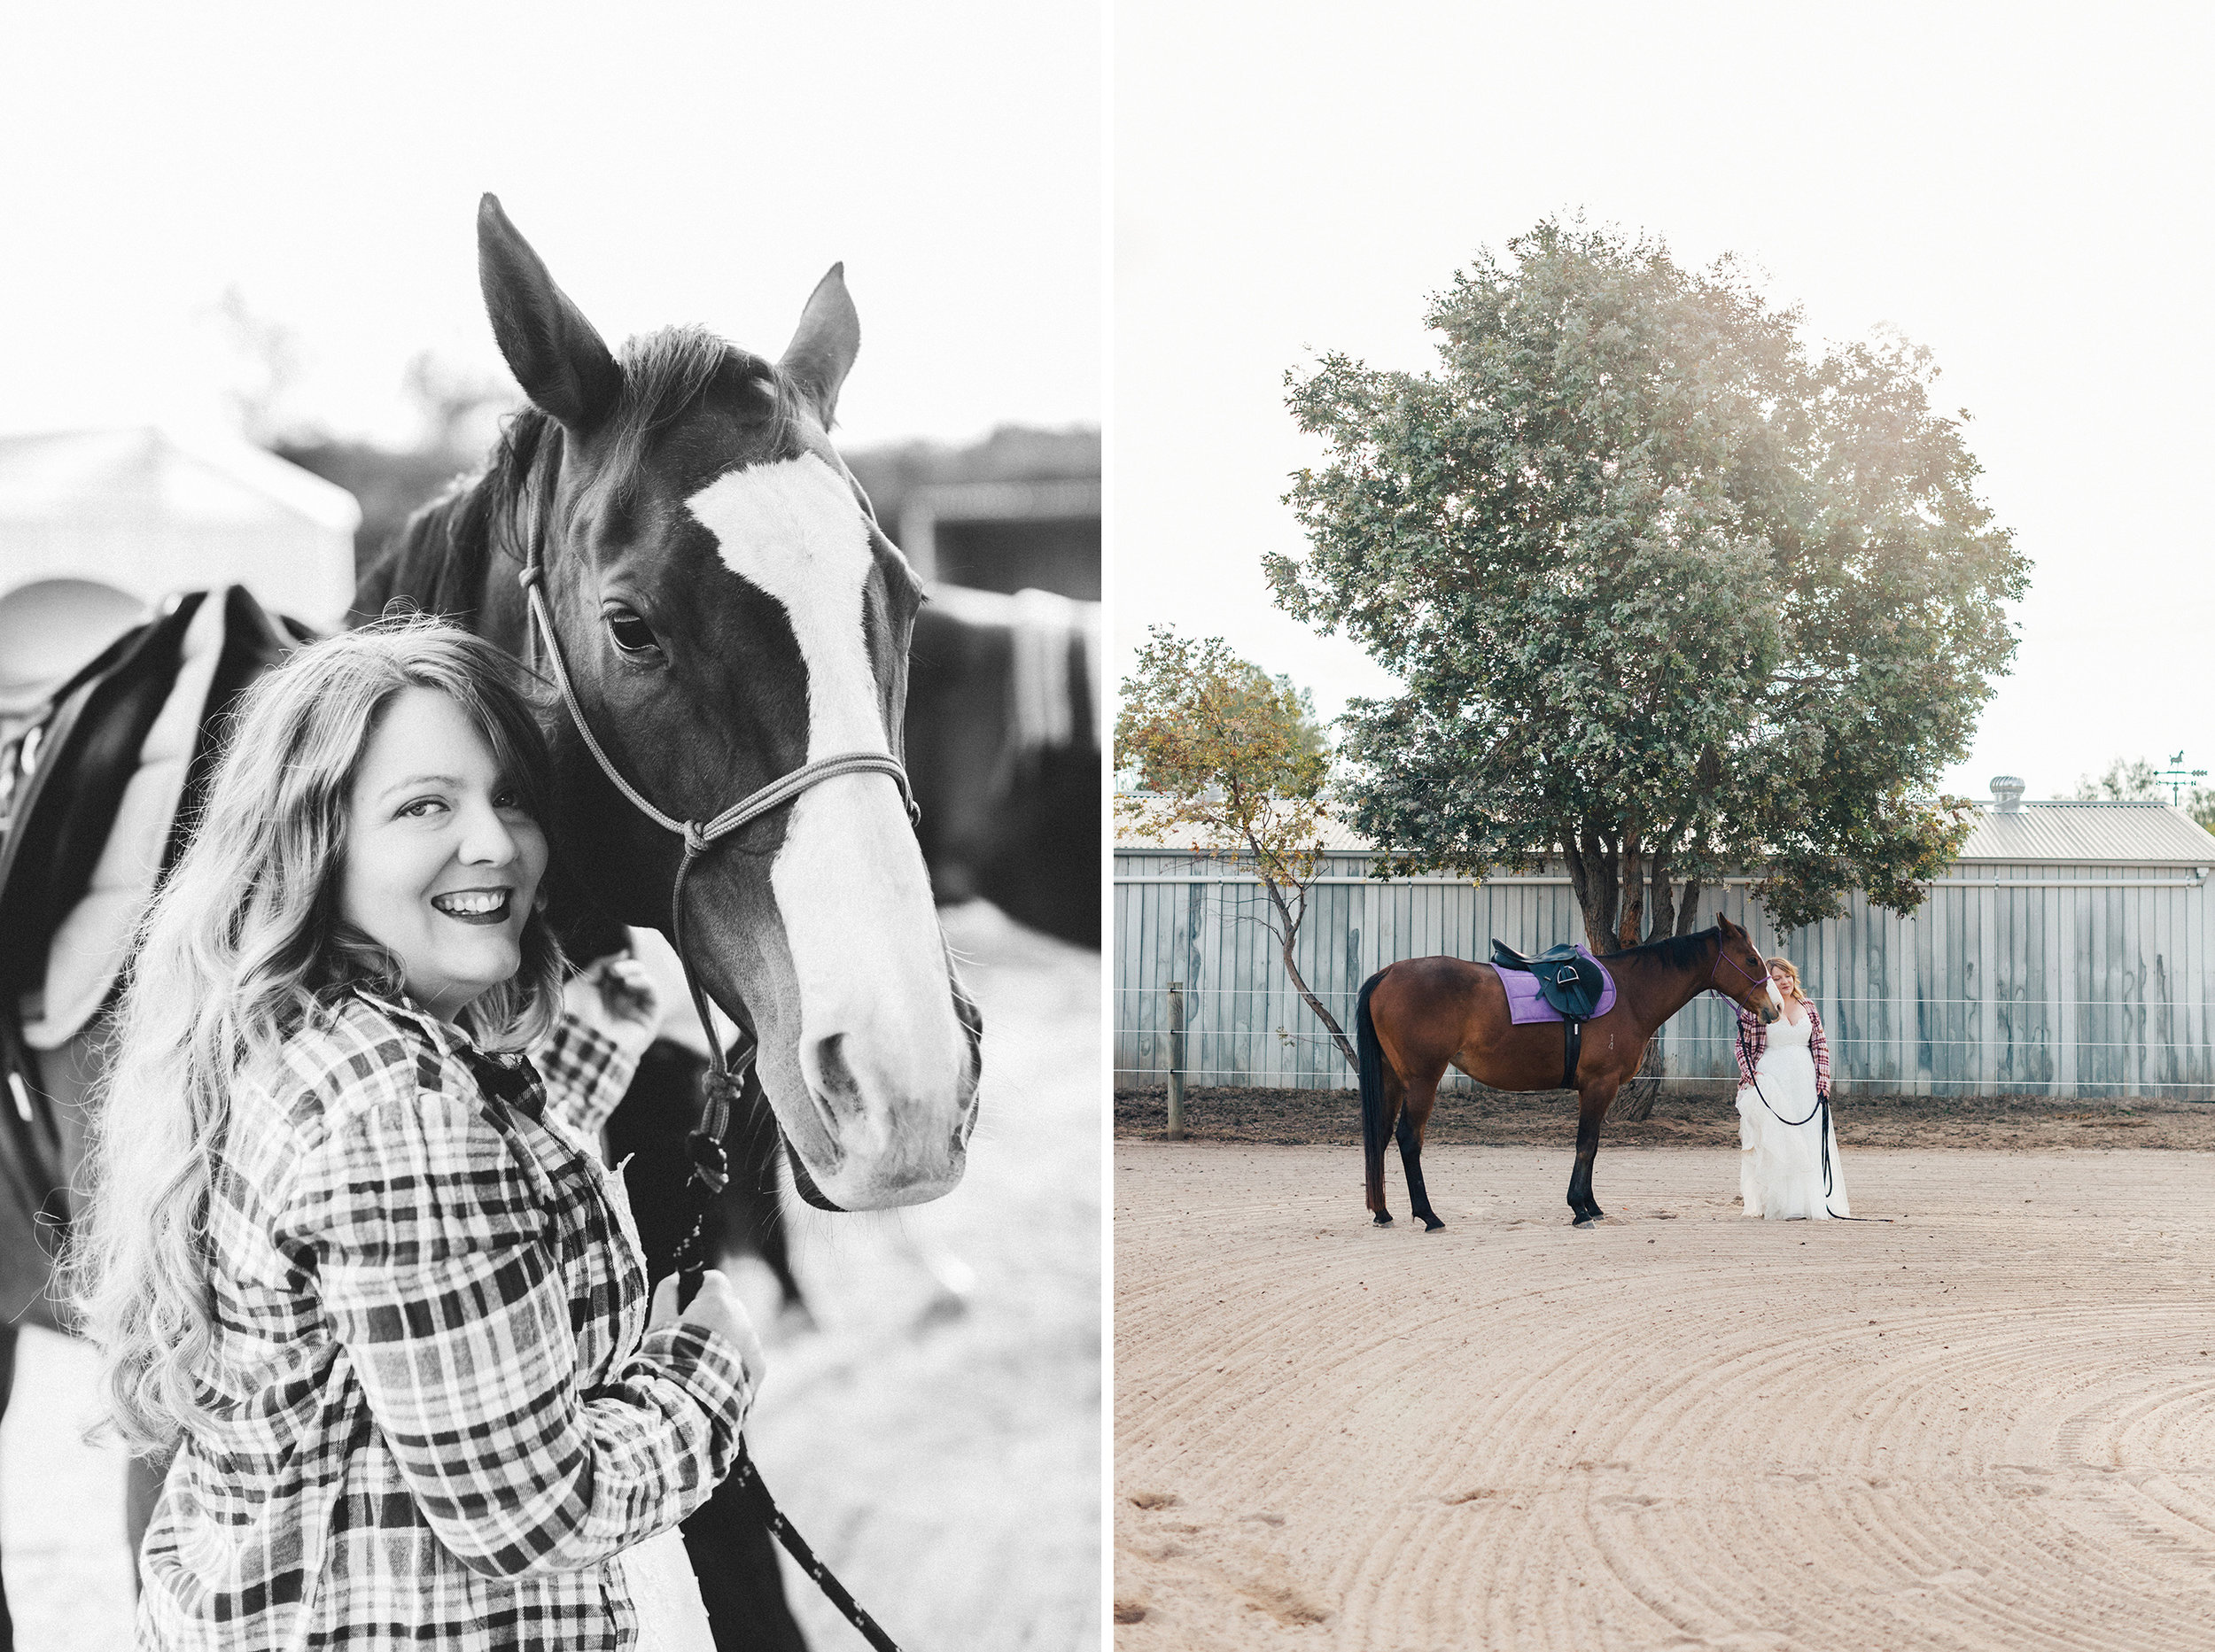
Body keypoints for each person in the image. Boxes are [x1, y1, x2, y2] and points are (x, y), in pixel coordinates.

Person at [70, 618, 762, 1651]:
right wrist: (707, 1369)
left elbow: (461, 1233)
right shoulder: (404, 1120)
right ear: (319, 840)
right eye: (424, 804)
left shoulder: (283, 1040)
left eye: (510, 795)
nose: (494, 842)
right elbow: (534, 1514)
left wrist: (617, 1008)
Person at [1732, 956, 1848, 1220]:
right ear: (1768, 981)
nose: (1784, 982)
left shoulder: (1808, 1006)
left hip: (1805, 1080)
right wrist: (1750, 1073)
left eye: (1787, 976)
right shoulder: (1760, 1007)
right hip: (1773, 1079)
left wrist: (1823, 1080)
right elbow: (1742, 1045)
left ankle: (1810, 1201)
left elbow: (1819, 1045)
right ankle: (1783, 1203)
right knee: (1780, 1139)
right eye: (1776, 978)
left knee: (1807, 1138)